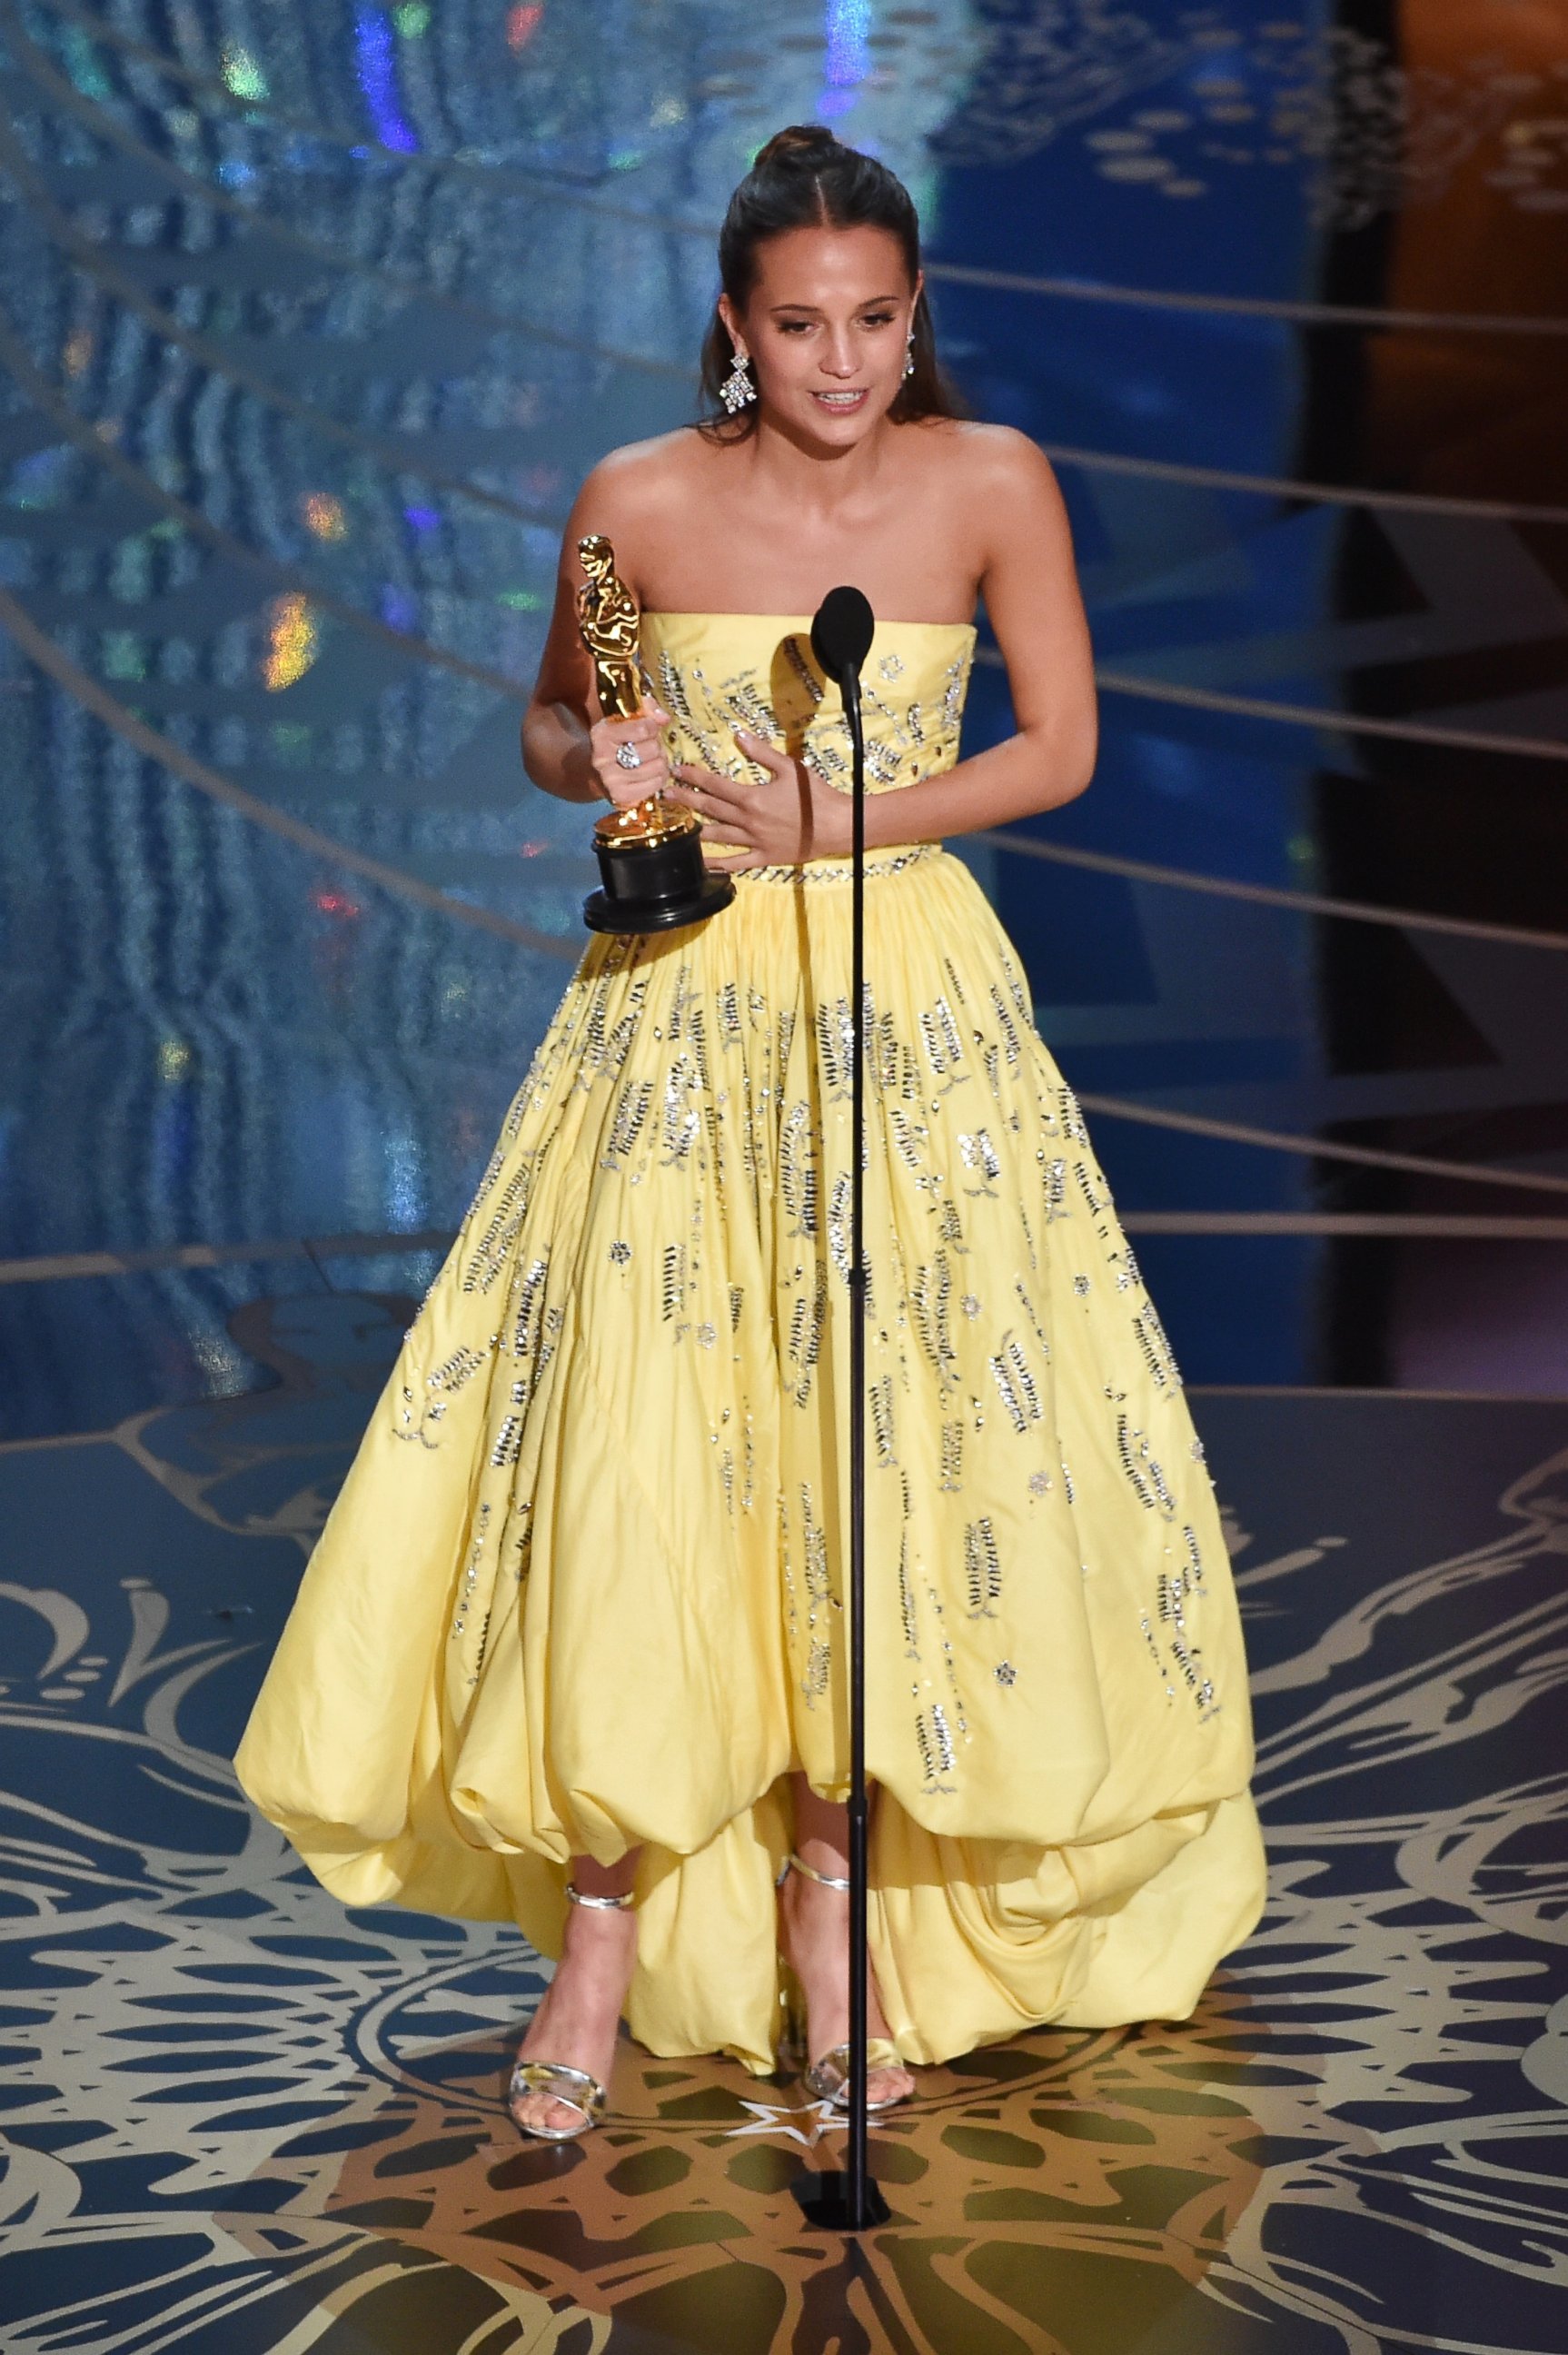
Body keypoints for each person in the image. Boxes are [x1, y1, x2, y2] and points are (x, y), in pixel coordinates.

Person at [235, 124, 1266, 2144]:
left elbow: (1055, 746)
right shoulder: (633, 499)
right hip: (679, 1014)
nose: (842, 362)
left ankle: (832, 1920)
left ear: (913, 318)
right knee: (658, 1442)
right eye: (801, 325)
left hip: (911, 1012)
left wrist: (847, 822)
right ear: (733, 325)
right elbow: (552, 725)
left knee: (872, 1443)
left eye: (877, 320)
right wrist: (589, 753)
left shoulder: (991, 485)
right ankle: (599, 1940)